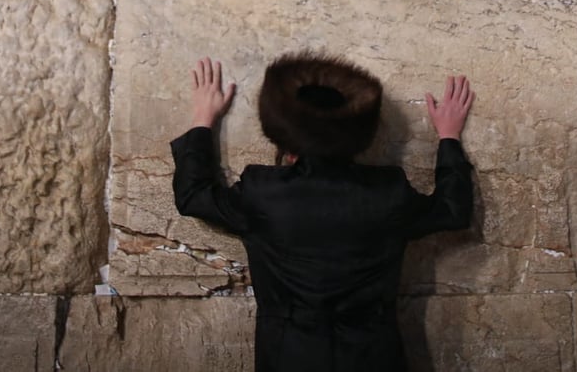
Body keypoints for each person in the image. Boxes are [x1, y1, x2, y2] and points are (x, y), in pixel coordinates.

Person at [171, 52, 475, 372]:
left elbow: (193, 195)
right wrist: (449, 136)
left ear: (285, 137)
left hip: (288, 359)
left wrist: (202, 121)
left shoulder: (262, 193)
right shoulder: (387, 193)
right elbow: (452, 211)